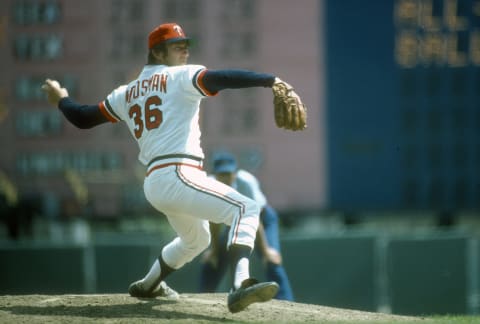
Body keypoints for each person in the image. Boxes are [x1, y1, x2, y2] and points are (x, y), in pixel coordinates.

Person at [41, 22, 294, 313]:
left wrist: (61, 99)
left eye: (186, 44)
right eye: (177, 45)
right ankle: (239, 284)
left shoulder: (126, 93)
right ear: (158, 53)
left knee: (197, 239)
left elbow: (83, 117)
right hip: (178, 173)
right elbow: (223, 78)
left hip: (156, 183)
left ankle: (149, 284)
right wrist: (272, 81)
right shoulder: (180, 77)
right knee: (246, 209)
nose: (185, 49)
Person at [200, 152, 294, 301]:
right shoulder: (210, 186)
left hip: (262, 219)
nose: (225, 178)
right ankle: (202, 299)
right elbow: (214, 221)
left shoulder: (246, 182)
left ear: (235, 173)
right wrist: (214, 250)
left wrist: (265, 251)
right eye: (221, 174)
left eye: (229, 173)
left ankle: (287, 302)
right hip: (232, 221)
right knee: (212, 259)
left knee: (271, 259)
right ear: (215, 175)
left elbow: (254, 217)